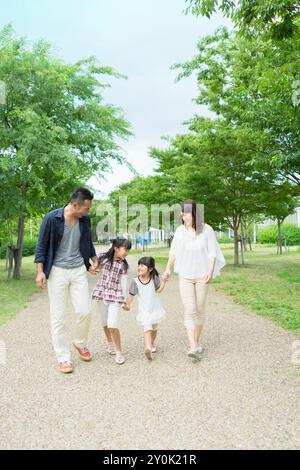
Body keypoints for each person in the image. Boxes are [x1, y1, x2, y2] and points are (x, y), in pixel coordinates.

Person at [34, 188, 99, 374]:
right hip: (57, 271)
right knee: (58, 317)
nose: (87, 212)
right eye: (85, 208)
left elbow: (87, 242)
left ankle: (79, 343)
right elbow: (41, 246)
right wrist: (40, 272)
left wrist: (94, 260)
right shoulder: (52, 218)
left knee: (85, 311)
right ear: (74, 204)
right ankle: (63, 357)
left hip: (78, 269)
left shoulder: (84, 220)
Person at [162, 200, 225, 360]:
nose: (183, 216)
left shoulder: (207, 230)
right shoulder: (179, 231)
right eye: (182, 213)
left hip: (203, 275)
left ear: (195, 214)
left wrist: (210, 272)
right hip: (185, 275)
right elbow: (173, 252)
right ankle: (192, 345)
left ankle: (196, 342)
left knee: (200, 308)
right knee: (189, 309)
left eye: (186, 213)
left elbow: (212, 253)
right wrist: (168, 268)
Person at [92, 238, 132, 365]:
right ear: (116, 248)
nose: (127, 252)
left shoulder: (123, 265)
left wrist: (124, 300)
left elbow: (124, 284)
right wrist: (94, 268)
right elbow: (94, 268)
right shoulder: (102, 258)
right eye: (125, 249)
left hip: (115, 295)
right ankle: (110, 344)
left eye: (128, 250)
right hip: (101, 293)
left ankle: (119, 352)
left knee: (112, 324)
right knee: (104, 322)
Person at [123, 256, 167, 360]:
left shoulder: (154, 278)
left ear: (150, 269)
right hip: (145, 310)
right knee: (147, 328)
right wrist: (127, 305)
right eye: (139, 265)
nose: (139, 267)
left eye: (142, 265)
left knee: (154, 328)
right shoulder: (135, 281)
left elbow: (159, 290)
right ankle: (147, 348)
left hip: (155, 308)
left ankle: (151, 344)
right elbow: (131, 295)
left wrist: (164, 281)